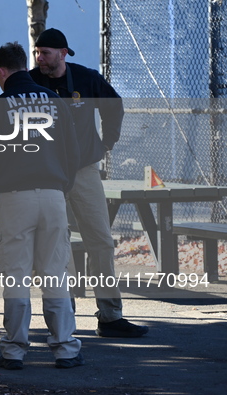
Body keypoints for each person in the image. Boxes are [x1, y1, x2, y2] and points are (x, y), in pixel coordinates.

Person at [0, 42, 83, 369]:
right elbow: (74, 155)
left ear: (1, 71)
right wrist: (61, 187)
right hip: (55, 197)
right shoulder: (56, 102)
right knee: (55, 274)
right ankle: (66, 349)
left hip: (14, 200)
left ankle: (14, 351)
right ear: (23, 65)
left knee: (16, 277)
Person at [30, 28, 149, 338]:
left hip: (84, 171)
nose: (40, 58)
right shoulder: (29, 82)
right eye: (37, 52)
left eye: (45, 53)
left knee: (102, 241)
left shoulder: (87, 78)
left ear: (63, 53)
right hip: (47, 175)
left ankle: (110, 317)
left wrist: (107, 143)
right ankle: (63, 316)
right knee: (58, 246)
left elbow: (114, 106)